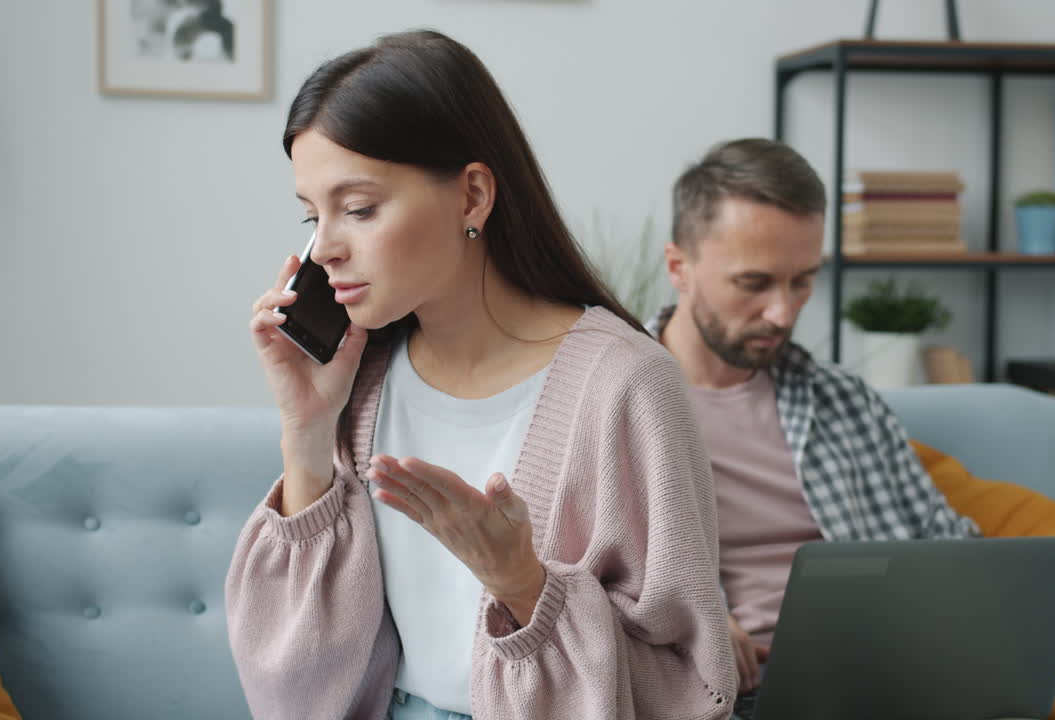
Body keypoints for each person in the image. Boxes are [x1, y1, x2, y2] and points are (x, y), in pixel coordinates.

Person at [225, 30, 736, 720]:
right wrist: (307, 430)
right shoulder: (360, 377)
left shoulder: (627, 385)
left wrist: (523, 584)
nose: (327, 249)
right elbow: (292, 688)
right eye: (313, 216)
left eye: (360, 208)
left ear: (471, 197)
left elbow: (691, 682)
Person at [650, 138, 980, 720]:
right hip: (723, 698)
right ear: (679, 268)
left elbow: (951, 548)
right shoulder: (617, 404)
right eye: (754, 283)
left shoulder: (843, 401)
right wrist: (692, 620)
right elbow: (570, 587)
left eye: (802, 280)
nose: (783, 312)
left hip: (882, 682)